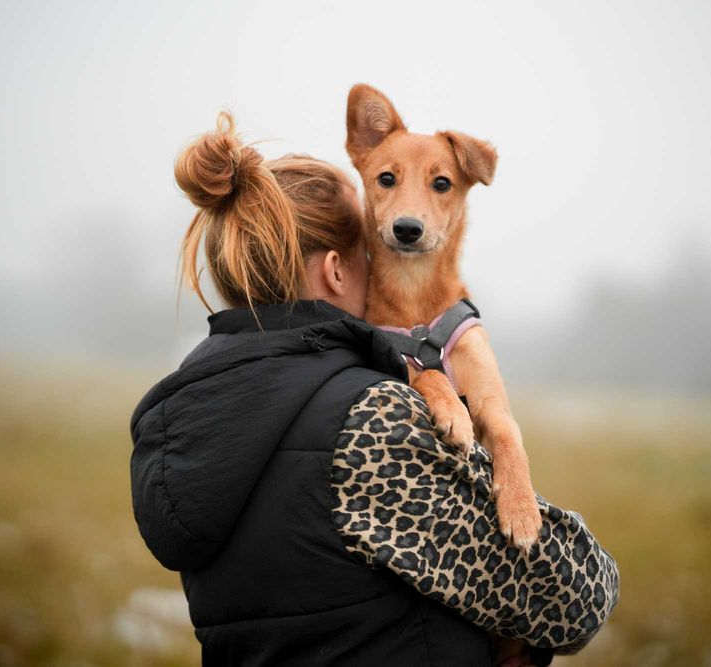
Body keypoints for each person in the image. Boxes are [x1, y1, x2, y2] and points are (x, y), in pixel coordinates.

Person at [129, 113, 619, 666]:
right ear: (337, 271)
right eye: (371, 245)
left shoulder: (177, 414)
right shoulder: (373, 418)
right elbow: (574, 598)